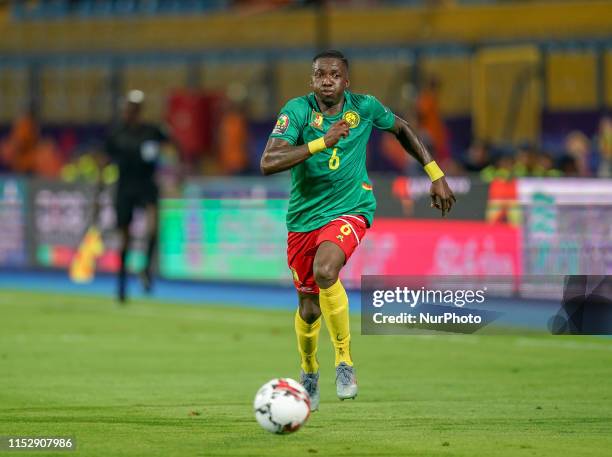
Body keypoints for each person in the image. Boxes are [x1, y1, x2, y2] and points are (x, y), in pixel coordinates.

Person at [260, 50, 455, 410]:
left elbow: (402, 128)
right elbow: (268, 161)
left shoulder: (365, 107)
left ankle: (344, 362)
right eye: (320, 74)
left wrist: (435, 173)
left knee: (325, 270)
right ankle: (309, 370)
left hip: (351, 209)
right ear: (312, 80)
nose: (328, 80)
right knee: (308, 308)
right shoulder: (297, 111)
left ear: (346, 81)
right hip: (304, 219)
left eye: (335, 74)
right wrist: (322, 141)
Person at [105, 90, 168, 303]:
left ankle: (146, 269)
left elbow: (172, 148)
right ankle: (121, 286)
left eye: (134, 108)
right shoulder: (117, 135)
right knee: (125, 239)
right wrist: (99, 187)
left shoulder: (152, 132)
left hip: (146, 185)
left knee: (153, 227)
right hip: (125, 188)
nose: (130, 112)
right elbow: (105, 161)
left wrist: (175, 174)